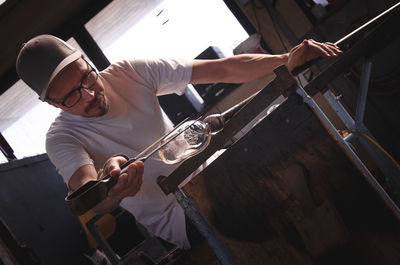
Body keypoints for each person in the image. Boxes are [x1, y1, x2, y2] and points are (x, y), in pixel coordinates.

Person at [16, 34, 342, 250]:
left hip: (221, 171)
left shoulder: (128, 72)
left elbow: (224, 69)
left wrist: (287, 60)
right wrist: (109, 186)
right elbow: (87, 193)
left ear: (87, 61)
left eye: (87, 77)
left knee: (304, 150)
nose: (89, 94)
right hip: (185, 217)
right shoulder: (61, 137)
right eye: (72, 95)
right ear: (53, 104)